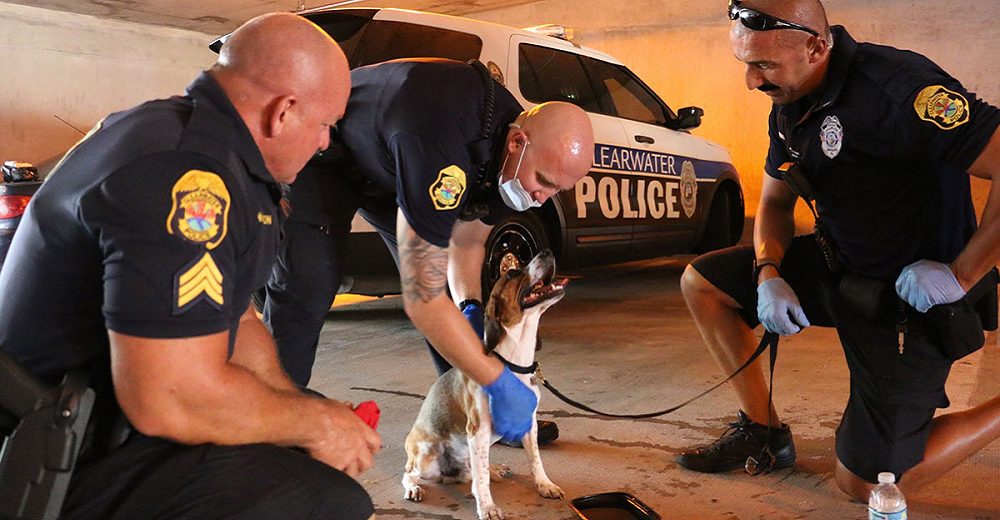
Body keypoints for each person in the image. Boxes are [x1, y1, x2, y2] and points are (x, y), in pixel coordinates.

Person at [0, 13, 381, 520]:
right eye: (325, 124)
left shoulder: (203, 146)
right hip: (45, 449)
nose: (325, 143)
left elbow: (236, 318)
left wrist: (300, 413)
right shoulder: (187, 176)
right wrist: (317, 426)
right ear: (283, 111)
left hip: (93, 419)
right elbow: (171, 396)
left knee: (299, 444)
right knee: (322, 502)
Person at [677, 0, 1000, 501]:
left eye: (763, 65)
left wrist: (961, 274)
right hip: (841, 268)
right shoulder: (788, 101)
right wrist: (768, 272)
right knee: (704, 283)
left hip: (916, 300)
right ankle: (764, 431)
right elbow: (775, 201)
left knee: (867, 486)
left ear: (816, 45)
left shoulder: (899, 90)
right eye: (746, 64)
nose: (752, 82)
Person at [263, 58, 594, 446]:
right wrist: (498, 379)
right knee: (310, 281)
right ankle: (270, 424)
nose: (541, 197)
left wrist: (469, 304)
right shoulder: (443, 142)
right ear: (518, 143)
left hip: (394, 165)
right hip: (333, 156)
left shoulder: (514, 161)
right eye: (544, 182)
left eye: (556, 191)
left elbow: (468, 240)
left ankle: (476, 413)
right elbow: (423, 297)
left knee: (454, 303)